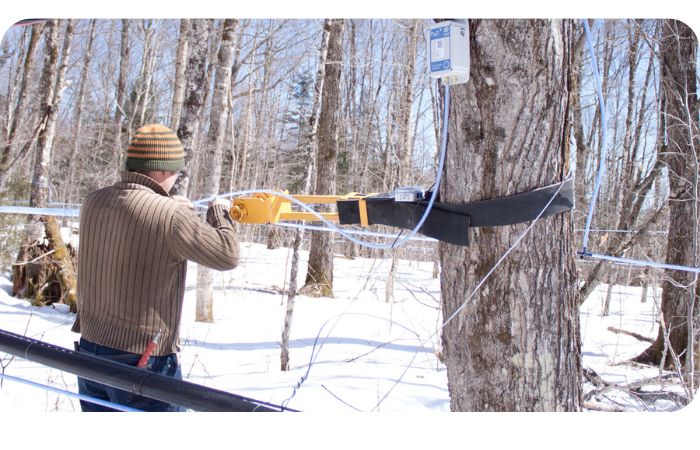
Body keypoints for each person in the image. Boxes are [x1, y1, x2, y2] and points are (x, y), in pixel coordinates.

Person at [71, 123, 239, 412]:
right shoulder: (172, 216)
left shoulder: (94, 200)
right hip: (143, 359)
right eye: (176, 171)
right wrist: (219, 214)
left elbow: (136, 217)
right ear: (162, 171)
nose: (176, 177)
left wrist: (171, 206)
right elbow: (227, 254)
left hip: (89, 349)